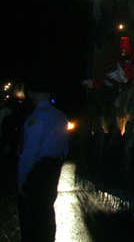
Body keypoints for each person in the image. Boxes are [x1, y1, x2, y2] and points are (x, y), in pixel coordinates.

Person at [17, 78, 69, 242]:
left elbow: (29, 152)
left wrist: (21, 178)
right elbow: (65, 147)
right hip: (53, 168)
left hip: (37, 171)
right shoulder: (61, 116)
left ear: (31, 94)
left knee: (32, 217)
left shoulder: (36, 118)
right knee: (47, 210)